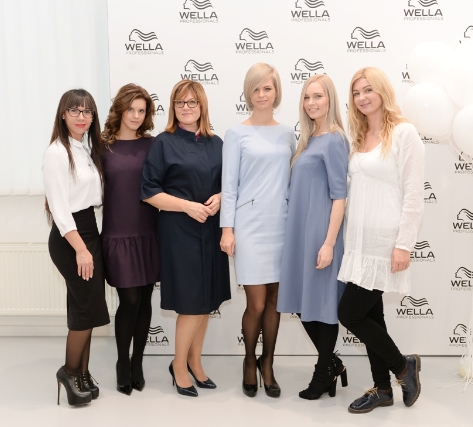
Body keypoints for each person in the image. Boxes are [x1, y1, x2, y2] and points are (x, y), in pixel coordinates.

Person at [337, 67, 424, 414]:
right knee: (372, 315)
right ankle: (383, 389)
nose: (362, 97)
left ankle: (404, 367)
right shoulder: (359, 137)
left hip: (385, 242)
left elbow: (414, 194)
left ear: (383, 92)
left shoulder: (404, 133)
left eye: (368, 90)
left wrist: (404, 244)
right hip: (358, 241)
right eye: (356, 92)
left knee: (349, 313)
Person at [141, 80, 230, 397]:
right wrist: (187, 206)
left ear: (202, 106)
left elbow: (230, 184)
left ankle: (195, 361)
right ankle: (178, 366)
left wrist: (221, 197)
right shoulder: (163, 143)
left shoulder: (217, 143)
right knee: (191, 303)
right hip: (179, 232)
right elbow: (149, 192)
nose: (186, 107)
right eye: (180, 102)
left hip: (211, 229)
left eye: (192, 102)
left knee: (205, 302)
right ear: (173, 107)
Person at [220, 63, 295, 398]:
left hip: (281, 225)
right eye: (256, 89)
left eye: (268, 88)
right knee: (257, 303)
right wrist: (227, 229)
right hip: (249, 226)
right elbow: (229, 187)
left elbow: (292, 182)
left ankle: (268, 364)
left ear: (276, 92)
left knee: (275, 302)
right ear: (247, 94)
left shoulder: (288, 133)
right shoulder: (236, 134)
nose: (262, 94)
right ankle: (249, 361)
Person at [277, 74, 349, 400]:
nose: (311, 103)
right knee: (300, 302)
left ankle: (323, 373)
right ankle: (332, 363)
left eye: (318, 96)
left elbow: (340, 196)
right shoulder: (309, 139)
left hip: (321, 232)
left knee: (322, 304)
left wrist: (329, 243)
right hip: (299, 232)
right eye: (307, 97)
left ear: (330, 99)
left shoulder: (334, 139)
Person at [42, 89, 110, 406]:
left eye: (87, 111)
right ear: (63, 114)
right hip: (71, 237)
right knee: (86, 307)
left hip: (89, 231)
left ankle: (82, 372)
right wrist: (81, 249)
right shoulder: (57, 152)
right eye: (75, 111)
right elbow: (59, 208)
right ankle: (68, 372)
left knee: (87, 308)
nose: (81, 117)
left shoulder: (85, 149)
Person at [100, 84, 160, 396]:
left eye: (141, 110)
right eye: (131, 109)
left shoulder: (153, 145)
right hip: (117, 233)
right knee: (130, 301)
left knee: (145, 300)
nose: (136, 116)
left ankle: (137, 362)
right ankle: (122, 362)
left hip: (148, 232)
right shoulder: (102, 146)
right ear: (120, 110)